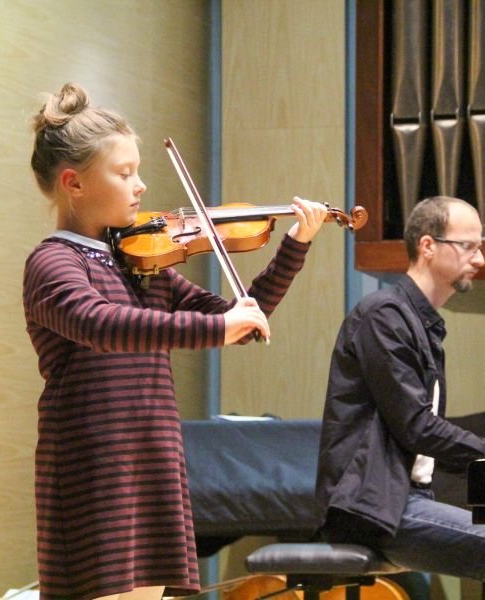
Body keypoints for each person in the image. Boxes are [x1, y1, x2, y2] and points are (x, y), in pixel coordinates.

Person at [23, 82, 328, 600]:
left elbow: (236, 319)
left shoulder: (141, 263)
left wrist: (295, 245)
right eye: (124, 173)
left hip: (153, 453)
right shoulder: (53, 263)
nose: (140, 185)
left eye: (138, 171)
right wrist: (217, 329)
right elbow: (102, 324)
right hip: (95, 462)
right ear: (74, 183)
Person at [314, 196, 485, 600]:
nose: (480, 259)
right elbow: (417, 428)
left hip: (403, 499)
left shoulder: (421, 324)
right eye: (468, 246)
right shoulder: (384, 316)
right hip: (370, 507)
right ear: (428, 246)